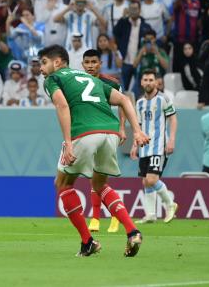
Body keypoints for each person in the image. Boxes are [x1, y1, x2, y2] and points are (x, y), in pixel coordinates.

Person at [39, 44, 149, 257]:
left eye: (44, 63)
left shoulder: (52, 79)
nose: (40, 69)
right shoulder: (91, 79)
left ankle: (87, 241)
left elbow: (62, 107)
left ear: (58, 62)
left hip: (84, 133)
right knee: (100, 185)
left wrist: (68, 143)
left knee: (62, 183)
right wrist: (136, 131)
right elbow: (124, 99)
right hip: (109, 134)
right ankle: (132, 231)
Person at [81, 48, 126, 234]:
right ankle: (99, 218)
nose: (91, 66)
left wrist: (123, 128)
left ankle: (102, 217)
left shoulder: (112, 83)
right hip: (89, 132)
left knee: (100, 175)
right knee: (94, 175)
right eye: (87, 62)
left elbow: (123, 103)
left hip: (107, 132)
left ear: (100, 63)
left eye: (94, 62)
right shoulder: (79, 82)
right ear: (82, 64)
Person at [131, 69, 179, 224]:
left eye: (151, 80)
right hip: (145, 147)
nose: (148, 82)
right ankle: (151, 214)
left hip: (159, 145)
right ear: (141, 82)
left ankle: (170, 204)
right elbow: (137, 127)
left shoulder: (163, 99)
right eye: (145, 80)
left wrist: (171, 140)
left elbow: (173, 119)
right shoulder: (139, 103)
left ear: (157, 82)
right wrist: (134, 145)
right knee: (145, 181)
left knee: (152, 179)